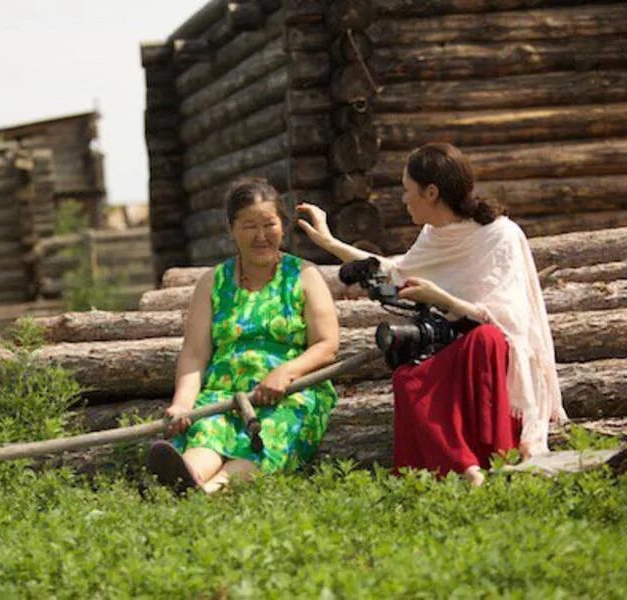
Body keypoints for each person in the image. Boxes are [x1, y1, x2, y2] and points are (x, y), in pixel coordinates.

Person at [297, 142, 566, 486]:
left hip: (494, 350)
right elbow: (395, 272)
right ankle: (466, 468)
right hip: (449, 345)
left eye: (408, 191)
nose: (404, 199)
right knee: (408, 378)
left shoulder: (500, 235)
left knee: (485, 339)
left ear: (432, 192)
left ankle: (496, 455)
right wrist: (330, 242)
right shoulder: (433, 236)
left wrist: (441, 297)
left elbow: (508, 319)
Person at [147, 178, 340, 494]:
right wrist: (182, 404)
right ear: (232, 229)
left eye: (269, 224)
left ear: (283, 225)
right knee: (207, 432)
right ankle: (186, 476)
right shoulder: (213, 282)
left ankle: (208, 493)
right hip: (223, 393)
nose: (261, 236)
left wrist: (285, 373)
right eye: (249, 226)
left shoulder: (304, 276)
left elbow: (327, 344)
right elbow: (195, 355)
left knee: (266, 439)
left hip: (290, 393)